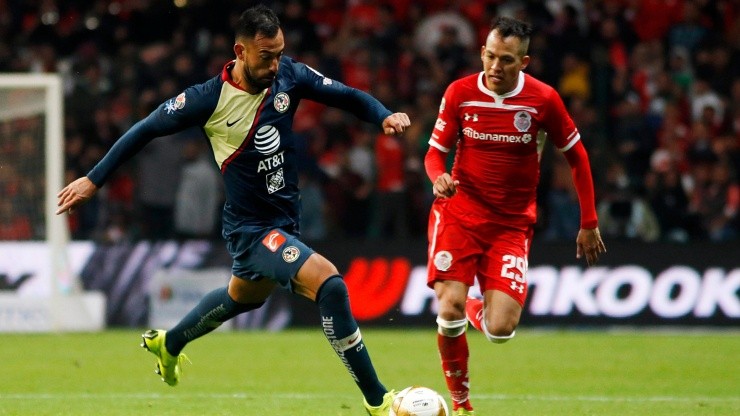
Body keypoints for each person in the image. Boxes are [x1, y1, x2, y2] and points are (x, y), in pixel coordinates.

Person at [55, 6, 410, 415]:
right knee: (330, 285)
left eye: (279, 53)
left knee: (242, 297)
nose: (275, 64)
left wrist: (383, 115)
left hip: (283, 219)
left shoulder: (289, 75)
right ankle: (378, 400)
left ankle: (168, 344)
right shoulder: (207, 98)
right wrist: (92, 180)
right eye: (266, 56)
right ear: (240, 51)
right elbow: (145, 130)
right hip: (252, 228)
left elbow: (344, 95)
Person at [424, 17, 606, 415]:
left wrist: (588, 222)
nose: (495, 66)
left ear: (524, 62)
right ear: (482, 53)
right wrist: (439, 177)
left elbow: (576, 157)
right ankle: (461, 405)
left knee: (500, 331)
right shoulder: (460, 93)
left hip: (510, 224)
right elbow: (435, 152)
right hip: (459, 212)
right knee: (449, 305)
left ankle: (477, 307)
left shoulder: (543, 99)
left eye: (506, 59)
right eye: (490, 56)